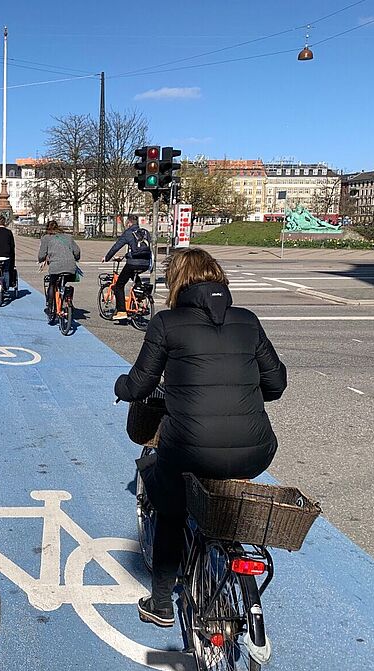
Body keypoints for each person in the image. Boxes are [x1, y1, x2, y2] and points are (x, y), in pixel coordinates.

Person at [113, 247, 287, 628]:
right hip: (255, 451)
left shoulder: (167, 324)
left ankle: (160, 604)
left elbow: (141, 383)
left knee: (171, 505)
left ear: (177, 283)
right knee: (221, 480)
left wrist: (122, 386)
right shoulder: (247, 321)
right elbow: (277, 384)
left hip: (189, 448)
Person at [102, 217, 152, 321]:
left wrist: (107, 257)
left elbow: (116, 246)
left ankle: (121, 311)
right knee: (133, 276)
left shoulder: (128, 233)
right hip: (146, 263)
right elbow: (141, 248)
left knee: (119, 285)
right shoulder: (145, 232)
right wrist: (127, 255)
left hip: (133, 263)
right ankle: (140, 300)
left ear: (129, 223)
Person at [38, 220, 81, 324]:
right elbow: (77, 251)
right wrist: (75, 258)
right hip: (70, 266)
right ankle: (68, 298)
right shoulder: (68, 237)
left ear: (47, 229)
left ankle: (50, 307)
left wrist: (42, 260)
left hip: (56, 267)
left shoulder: (46, 238)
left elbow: (41, 254)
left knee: (52, 284)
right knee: (64, 280)